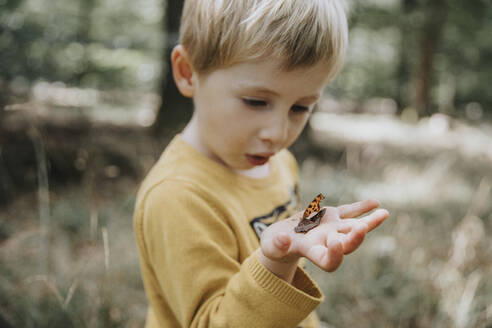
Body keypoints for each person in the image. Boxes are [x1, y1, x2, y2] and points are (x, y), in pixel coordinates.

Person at [133, 0, 389, 327]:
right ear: (187, 72)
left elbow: (291, 242)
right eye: (256, 102)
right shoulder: (176, 196)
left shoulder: (281, 163)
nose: (278, 133)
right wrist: (275, 261)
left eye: (300, 108)